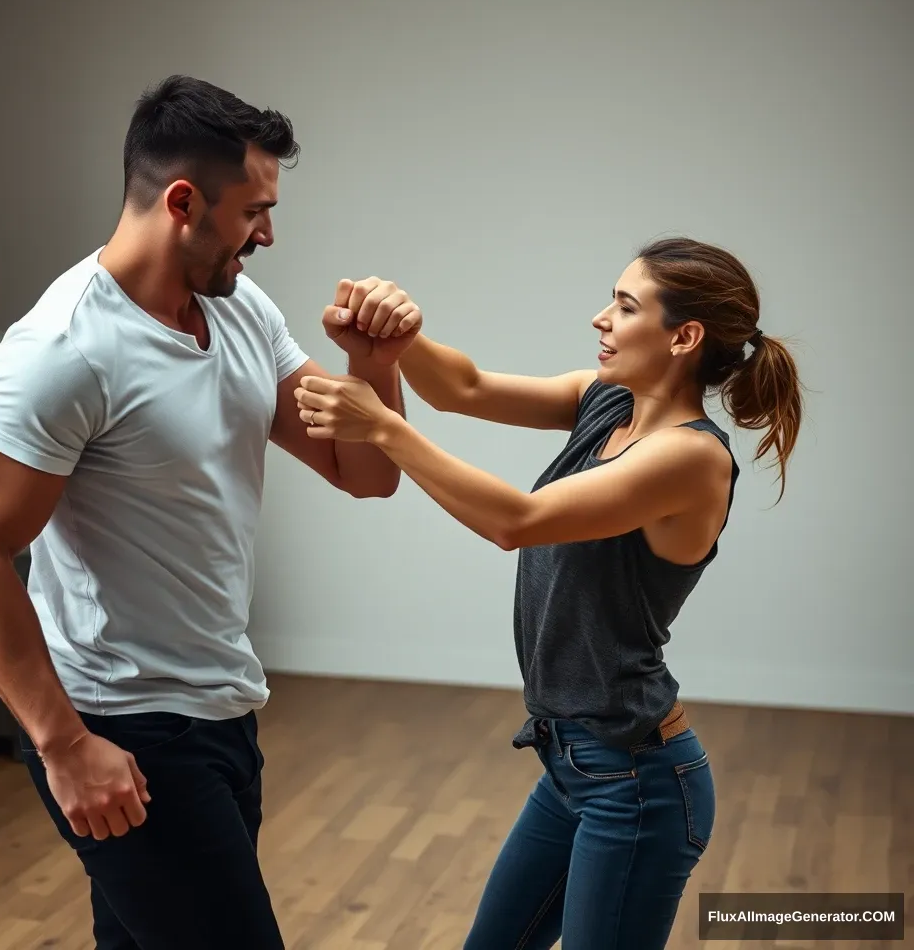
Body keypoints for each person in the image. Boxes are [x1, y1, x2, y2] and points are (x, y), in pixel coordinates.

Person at [0, 75, 423, 950]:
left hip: (225, 709)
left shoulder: (241, 313)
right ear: (184, 201)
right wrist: (63, 746)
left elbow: (364, 474)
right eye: (255, 212)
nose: (270, 233)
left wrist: (373, 365)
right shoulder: (63, 352)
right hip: (121, 727)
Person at [293, 237, 803, 949]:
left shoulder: (690, 458)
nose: (601, 318)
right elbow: (462, 388)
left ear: (684, 336)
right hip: (572, 768)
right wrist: (395, 337)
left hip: (637, 783)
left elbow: (517, 523)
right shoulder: (606, 403)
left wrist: (383, 427)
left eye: (625, 306)